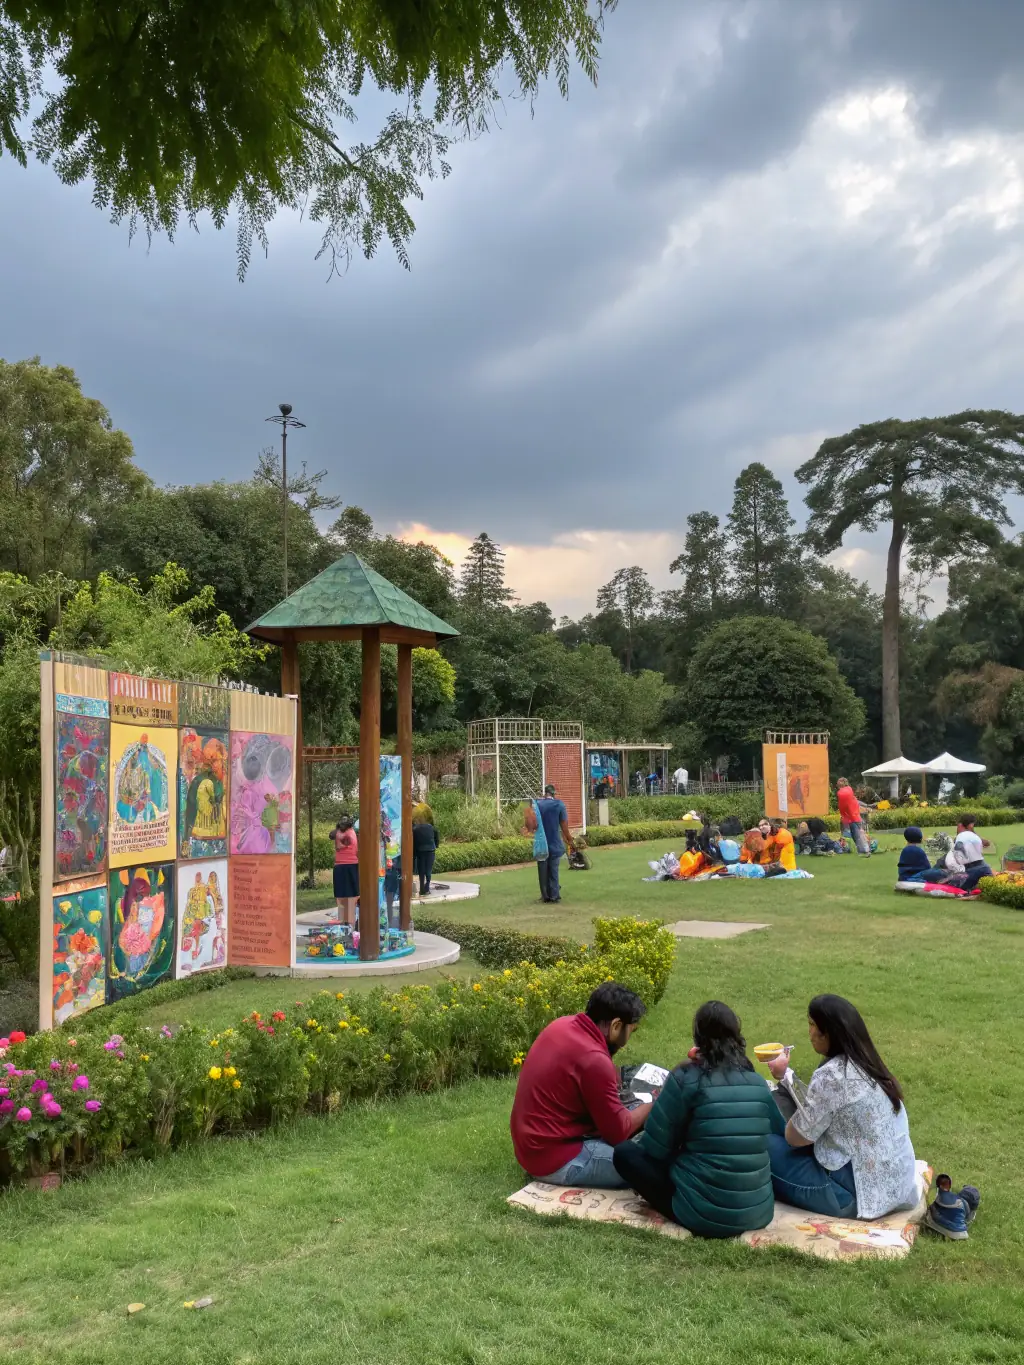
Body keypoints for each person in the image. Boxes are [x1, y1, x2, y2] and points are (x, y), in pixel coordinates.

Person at [612, 1001, 780, 1237]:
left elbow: (654, 1148)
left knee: (625, 1154)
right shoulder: (757, 1083)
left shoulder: (687, 1077)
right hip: (758, 1213)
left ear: (698, 1038)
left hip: (702, 1214)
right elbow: (776, 1131)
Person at [766, 994, 918, 1220]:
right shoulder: (869, 1063)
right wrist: (785, 1076)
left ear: (828, 1033)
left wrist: (782, 1096)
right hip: (897, 1190)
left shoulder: (832, 1075)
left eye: (811, 1025)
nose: (809, 1032)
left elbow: (795, 1137)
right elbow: (820, 1105)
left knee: (759, 1144)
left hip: (853, 1197)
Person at [510, 982, 653, 1188]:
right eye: (632, 1030)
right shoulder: (594, 1059)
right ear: (616, 1026)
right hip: (555, 1159)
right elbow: (618, 1133)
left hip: (532, 1147)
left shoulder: (562, 1025)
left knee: (634, 1111)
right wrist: (655, 1102)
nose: (629, 1038)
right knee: (648, 1164)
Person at [533, 783, 576, 904]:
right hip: (554, 843)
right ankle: (554, 895)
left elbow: (531, 825)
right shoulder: (559, 805)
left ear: (544, 794)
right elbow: (564, 826)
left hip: (541, 843)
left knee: (542, 871)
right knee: (553, 870)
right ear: (553, 794)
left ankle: (545, 896)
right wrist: (569, 840)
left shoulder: (537, 804)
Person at [953, 815, 992, 891]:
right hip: (983, 867)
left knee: (958, 887)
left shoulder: (961, 837)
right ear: (971, 825)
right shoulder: (973, 836)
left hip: (970, 868)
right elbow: (986, 843)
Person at [332, 814, 359, 925]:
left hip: (349, 865)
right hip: (342, 865)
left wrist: (338, 835)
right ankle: (344, 921)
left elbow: (340, 845)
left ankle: (349, 921)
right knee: (342, 895)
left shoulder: (349, 834)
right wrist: (337, 832)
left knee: (350, 895)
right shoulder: (343, 832)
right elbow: (331, 835)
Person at [836, 779, 871, 855]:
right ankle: (863, 849)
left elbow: (844, 806)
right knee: (856, 834)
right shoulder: (849, 792)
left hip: (853, 818)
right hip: (853, 817)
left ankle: (865, 850)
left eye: (839, 783)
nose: (838, 784)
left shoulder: (845, 792)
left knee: (857, 835)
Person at [412, 812, 440, 896]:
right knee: (428, 870)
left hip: (420, 851)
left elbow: (414, 842)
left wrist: (414, 854)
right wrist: (436, 845)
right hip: (431, 850)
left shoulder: (415, 829)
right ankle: (427, 887)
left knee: (421, 871)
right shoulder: (432, 828)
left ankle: (421, 889)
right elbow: (437, 838)